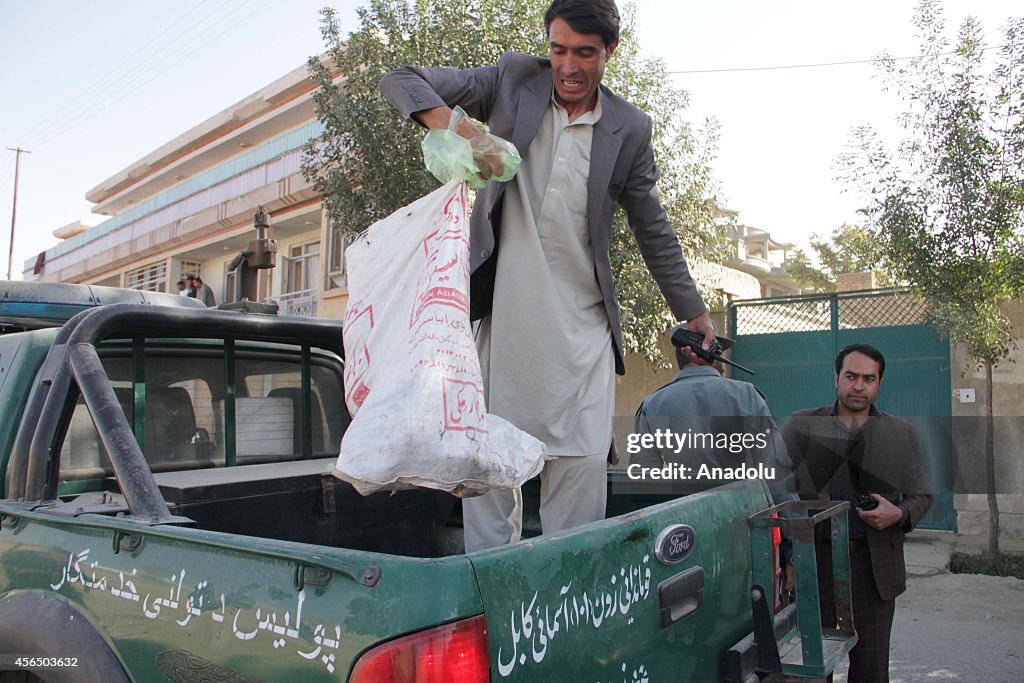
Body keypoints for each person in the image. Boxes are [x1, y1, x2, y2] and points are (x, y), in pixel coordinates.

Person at [380, 0, 715, 552]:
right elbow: (402, 79)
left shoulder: (629, 127)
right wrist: (462, 131)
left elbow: (652, 225)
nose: (568, 66)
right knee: (488, 490)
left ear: (610, 51)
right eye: (559, 50)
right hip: (505, 330)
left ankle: (569, 624)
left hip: (583, 340)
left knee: (578, 505)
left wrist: (692, 309)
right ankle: (494, 610)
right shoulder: (515, 78)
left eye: (585, 53)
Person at [782, 343, 931, 683]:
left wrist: (900, 514)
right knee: (810, 669)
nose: (859, 386)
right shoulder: (801, 425)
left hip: (872, 570)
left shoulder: (900, 432)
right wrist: (787, 555)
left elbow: (921, 494)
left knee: (871, 670)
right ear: (837, 378)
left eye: (869, 378)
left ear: (879, 384)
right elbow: (773, 487)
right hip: (815, 568)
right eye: (851, 376)